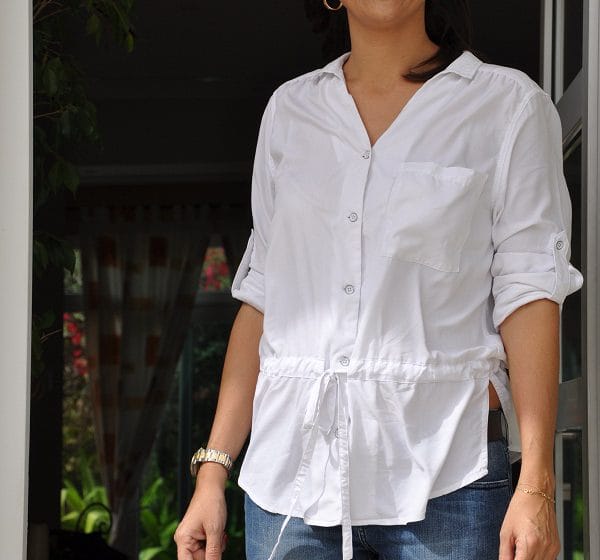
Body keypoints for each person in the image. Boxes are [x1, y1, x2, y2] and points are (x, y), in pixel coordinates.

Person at [174, 1, 585, 559]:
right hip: (291, 486)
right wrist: (212, 473)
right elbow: (264, 299)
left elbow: (530, 292)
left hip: (449, 480)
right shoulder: (290, 111)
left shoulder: (506, 105)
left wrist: (535, 481)